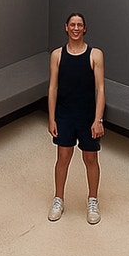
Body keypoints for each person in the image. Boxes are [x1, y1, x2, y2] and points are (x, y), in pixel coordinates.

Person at [47, 12, 105, 224]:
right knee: (63, 158)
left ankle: (92, 201)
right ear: (66, 27)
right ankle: (58, 199)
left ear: (85, 29)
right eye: (72, 24)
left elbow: (100, 89)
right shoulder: (57, 55)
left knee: (90, 159)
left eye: (79, 25)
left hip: (88, 116)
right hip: (64, 115)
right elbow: (53, 88)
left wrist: (98, 120)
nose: (76, 28)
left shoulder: (95, 55)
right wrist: (52, 118)